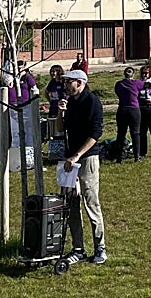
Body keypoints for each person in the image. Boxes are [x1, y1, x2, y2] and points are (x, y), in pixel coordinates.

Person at [57, 68, 107, 266]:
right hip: (69, 160)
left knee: (91, 201)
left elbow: (96, 133)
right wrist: (61, 113)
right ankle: (78, 248)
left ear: (80, 83)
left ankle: (100, 247)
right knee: (70, 203)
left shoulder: (92, 102)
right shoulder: (70, 103)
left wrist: (78, 154)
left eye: (69, 82)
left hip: (87, 159)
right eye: (65, 82)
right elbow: (60, 129)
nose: (66, 86)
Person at [113, 66, 144, 163]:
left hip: (122, 109)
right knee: (135, 133)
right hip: (134, 109)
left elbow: (117, 93)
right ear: (133, 74)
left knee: (121, 134)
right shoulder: (137, 83)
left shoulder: (119, 84)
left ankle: (119, 157)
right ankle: (137, 156)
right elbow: (144, 88)